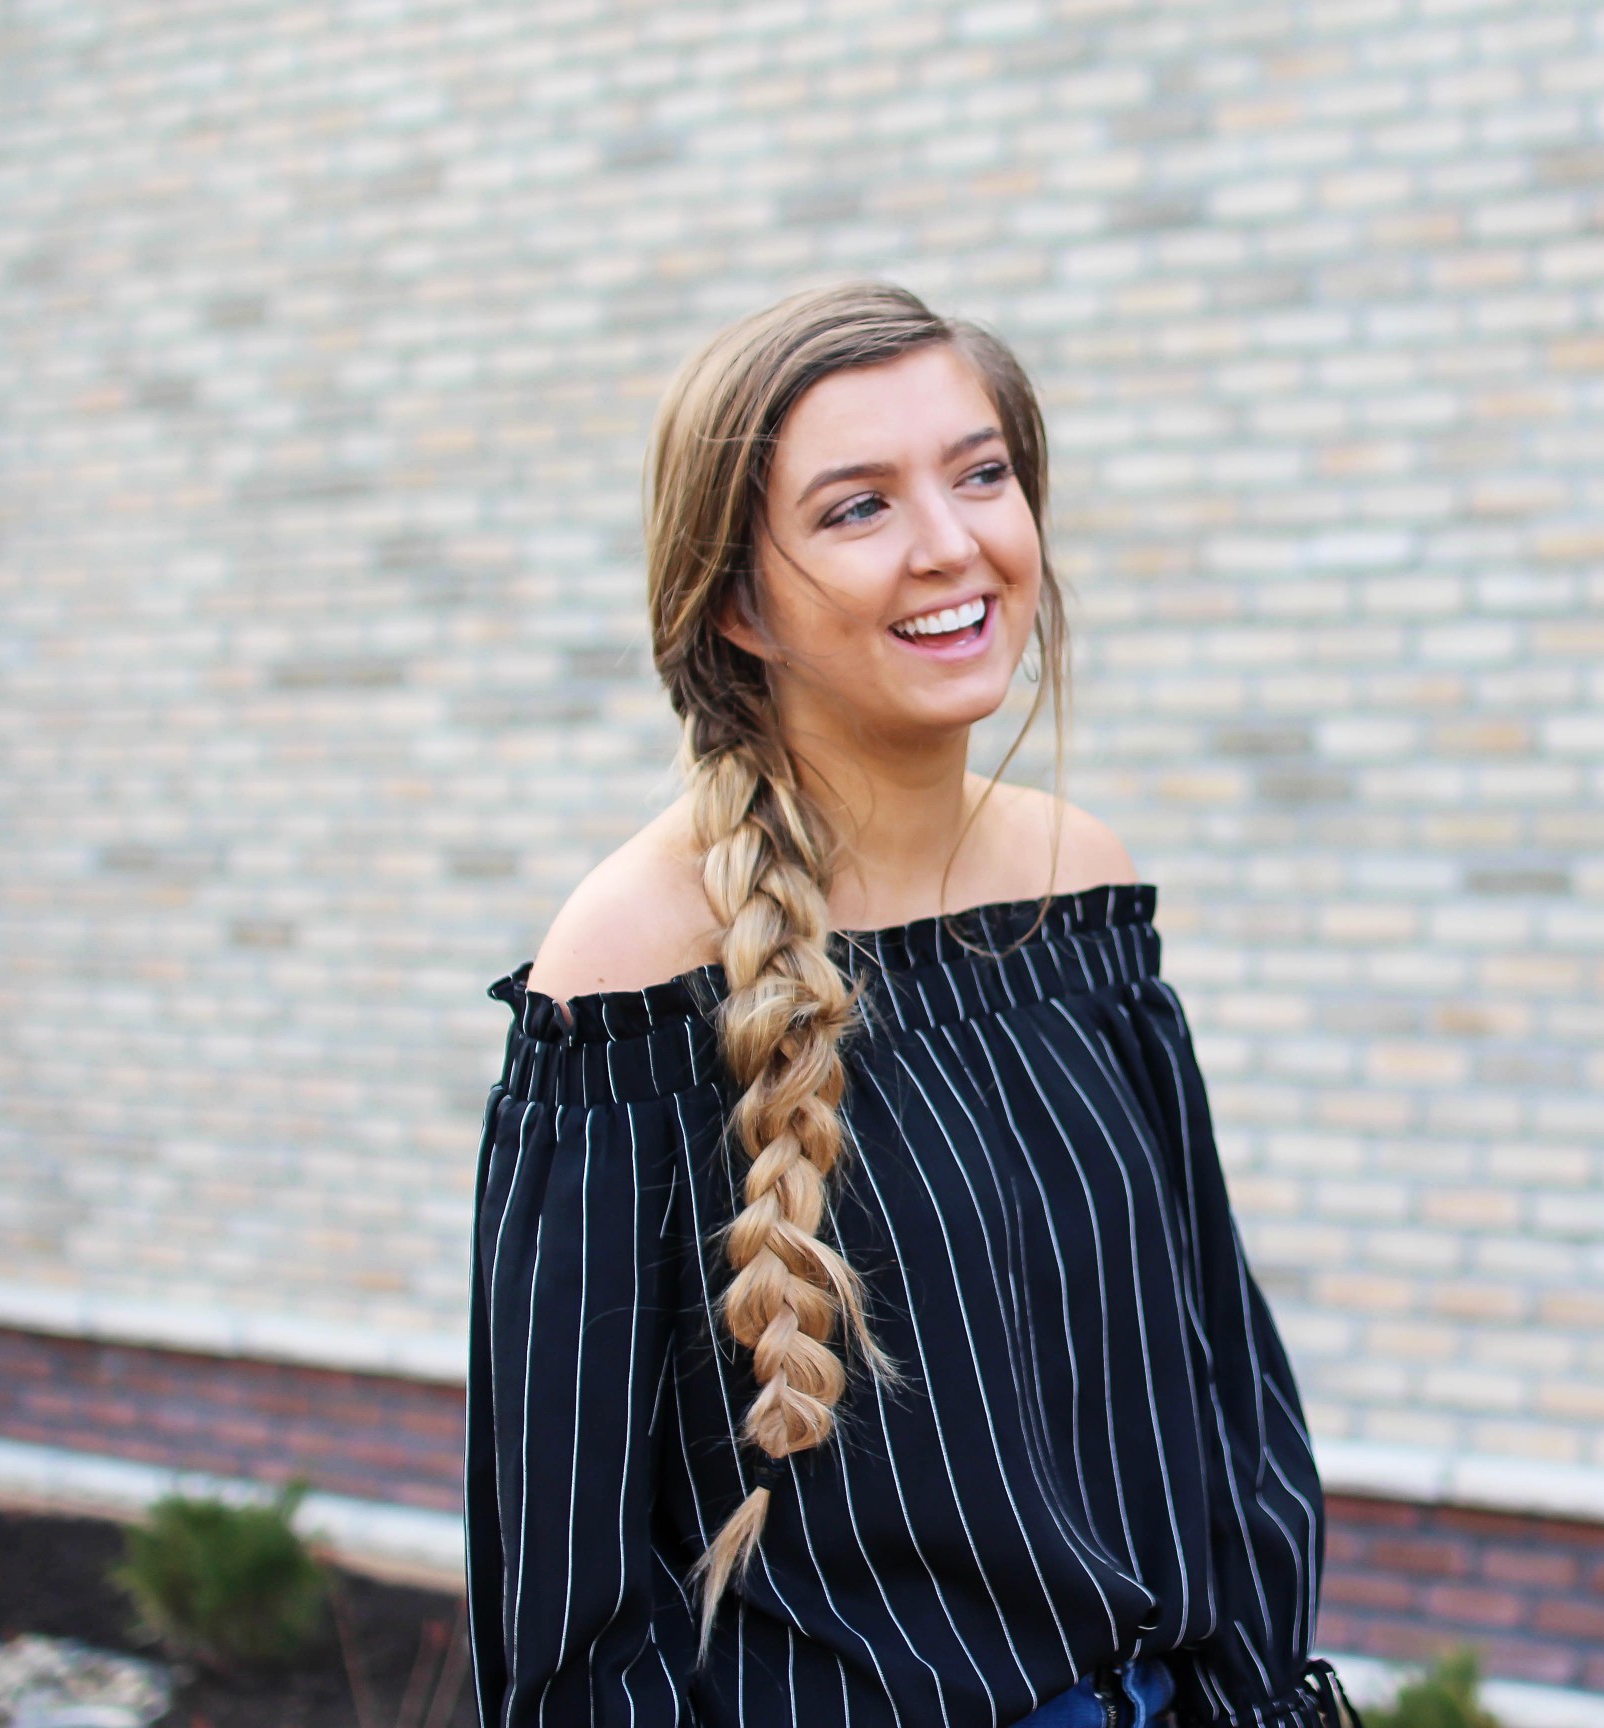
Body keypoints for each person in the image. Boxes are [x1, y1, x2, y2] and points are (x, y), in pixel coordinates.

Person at [463, 279, 1357, 1728]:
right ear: (739, 599)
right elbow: (568, 1599)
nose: (955, 544)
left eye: (982, 473)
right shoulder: (628, 969)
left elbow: (1220, 1389)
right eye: (857, 507)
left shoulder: (1080, 886)